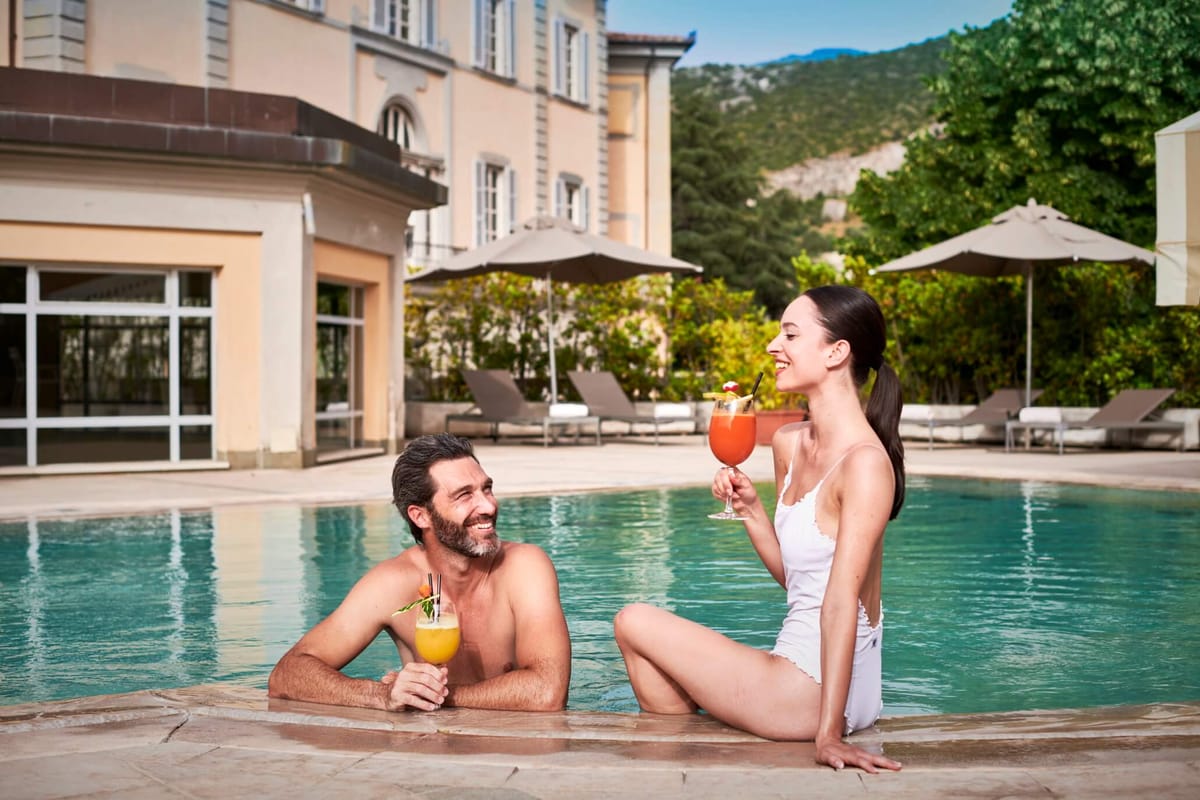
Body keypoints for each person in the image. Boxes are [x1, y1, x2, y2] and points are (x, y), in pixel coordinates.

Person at [613, 285, 906, 772]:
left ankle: (675, 762)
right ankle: (683, 758)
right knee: (646, 640)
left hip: (817, 692)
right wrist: (751, 511)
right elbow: (799, 582)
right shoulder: (790, 443)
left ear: (836, 352)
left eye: (790, 334)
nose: (773, 346)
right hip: (799, 680)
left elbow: (841, 602)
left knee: (633, 621)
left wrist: (828, 736)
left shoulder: (865, 465)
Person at [269, 433, 571, 712]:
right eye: (464, 495)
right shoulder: (394, 584)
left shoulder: (523, 568)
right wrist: (382, 695)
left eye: (486, 489)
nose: (488, 506)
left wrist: (434, 695)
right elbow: (286, 675)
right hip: (431, 747)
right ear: (421, 516)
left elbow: (548, 693)